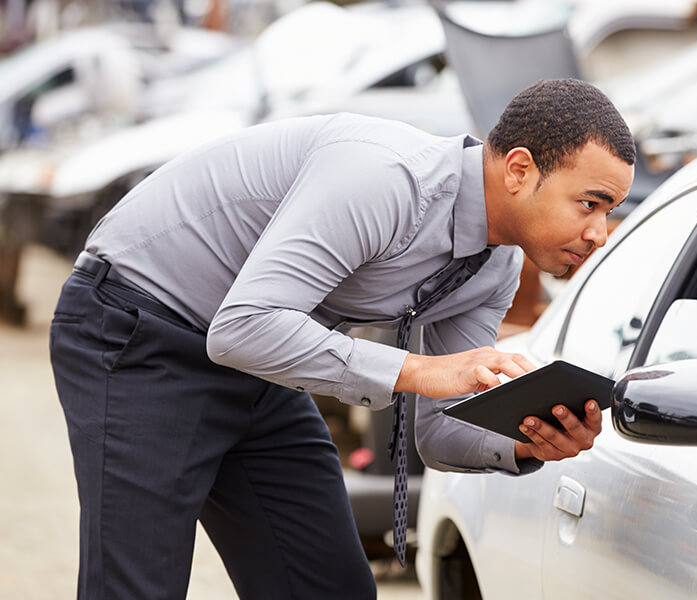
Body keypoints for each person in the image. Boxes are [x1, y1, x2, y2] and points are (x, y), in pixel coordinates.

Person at [49, 78, 636, 599]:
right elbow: (242, 327)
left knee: (330, 586)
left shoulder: (495, 267)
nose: (599, 233)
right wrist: (421, 370)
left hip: (260, 361)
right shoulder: (386, 180)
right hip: (137, 329)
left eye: (610, 212)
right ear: (519, 170)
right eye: (590, 204)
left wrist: (526, 441)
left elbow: (437, 430)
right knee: (137, 586)